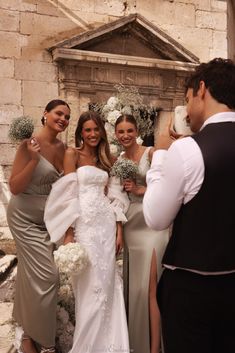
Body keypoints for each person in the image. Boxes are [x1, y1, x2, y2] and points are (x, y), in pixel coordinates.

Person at [143, 58, 235, 353]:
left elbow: (155, 218)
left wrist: (160, 156)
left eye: (187, 99)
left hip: (191, 292)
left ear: (202, 90)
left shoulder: (187, 149)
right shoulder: (190, 147)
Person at [44, 111, 130, 353]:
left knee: (108, 284)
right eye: (87, 130)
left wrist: (119, 230)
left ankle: (111, 346)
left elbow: (115, 197)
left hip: (105, 227)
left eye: (96, 129)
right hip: (85, 227)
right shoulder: (72, 154)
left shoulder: (108, 159)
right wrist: (69, 232)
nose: (92, 134)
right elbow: (69, 194)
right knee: (89, 288)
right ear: (81, 132)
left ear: (102, 131)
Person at [7, 99, 70, 353]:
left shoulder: (63, 148)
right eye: (58, 113)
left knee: (29, 274)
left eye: (67, 116)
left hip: (46, 221)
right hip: (23, 218)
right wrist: (33, 160)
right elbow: (14, 187)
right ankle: (46, 343)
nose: (63, 119)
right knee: (49, 276)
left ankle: (25, 336)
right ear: (45, 114)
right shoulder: (28, 145)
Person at [115, 114, 169, 353]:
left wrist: (141, 188)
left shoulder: (152, 154)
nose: (125, 135)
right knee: (135, 288)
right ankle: (136, 344)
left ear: (137, 131)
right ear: (115, 134)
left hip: (153, 224)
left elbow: (169, 188)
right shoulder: (118, 160)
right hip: (131, 226)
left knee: (150, 289)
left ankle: (155, 348)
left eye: (129, 130)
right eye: (121, 132)